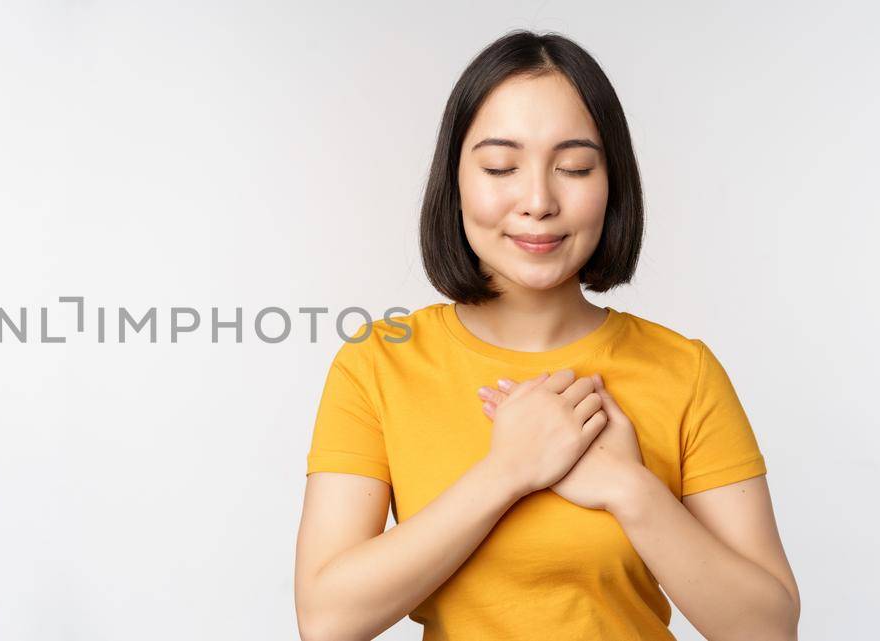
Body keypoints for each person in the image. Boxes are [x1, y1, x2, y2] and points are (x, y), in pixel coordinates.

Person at [293, 30, 801, 641]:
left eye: (574, 168)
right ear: (454, 180)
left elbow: (768, 630)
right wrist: (508, 470)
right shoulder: (378, 364)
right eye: (501, 167)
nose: (538, 200)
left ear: (613, 183)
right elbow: (326, 621)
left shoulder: (684, 371)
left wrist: (629, 489)